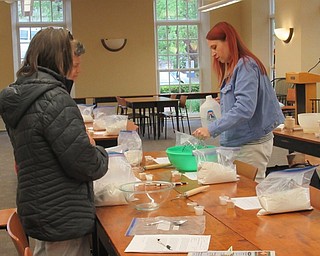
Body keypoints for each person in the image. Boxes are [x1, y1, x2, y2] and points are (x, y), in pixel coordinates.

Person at [0, 27, 108, 256]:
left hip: (39, 208)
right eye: (71, 59)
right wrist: (98, 150)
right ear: (58, 58)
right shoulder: (55, 99)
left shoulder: (22, 96)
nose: (76, 67)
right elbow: (87, 164)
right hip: (62, 216)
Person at [193, 22, 285, 181]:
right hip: (239, 143)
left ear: (228, 41)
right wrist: (225, 99)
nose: (213, 53)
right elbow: (243, 98)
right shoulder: (234, 66)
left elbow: (244, 109)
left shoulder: (246, 65)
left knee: (247, 195)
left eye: (215, 47)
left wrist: (211, 128)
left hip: (250, 144)